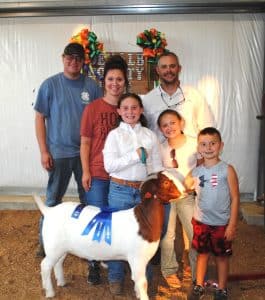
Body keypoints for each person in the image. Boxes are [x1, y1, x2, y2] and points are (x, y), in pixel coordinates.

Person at [34, 42, 102, 257]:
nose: (73, 62)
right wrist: (44, 151)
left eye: (78, 58)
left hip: (86, 155)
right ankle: (44, 242)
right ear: (62, 58)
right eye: (69, 57)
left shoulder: (92, 87)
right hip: (59, 154)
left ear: (83, 62)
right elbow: (39, 119)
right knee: (53, 200)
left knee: (89, 202)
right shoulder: (50, 85)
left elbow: (99, 121)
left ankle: (87, 245)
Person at [103, 92, 163, 295]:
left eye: (134, 108)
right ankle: (115, 277)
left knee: (144, 237)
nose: (130, 112)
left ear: (141, 110)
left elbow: (156, 166)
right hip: (120, 189)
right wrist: (134, 155)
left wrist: (155, 187)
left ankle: (143, 280)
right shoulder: (114, 136)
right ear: (119, 111)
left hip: (143, 193)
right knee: (117, 236)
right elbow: (109, 166)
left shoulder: (150, 135)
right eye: (125, 108)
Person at [80, 55, 129, 286]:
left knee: (118, 222)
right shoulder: (92, 108)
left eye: (119, 79)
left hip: (121, 177)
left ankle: (116, 263)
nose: (115, 83)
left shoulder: (130, 108)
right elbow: (86, 143)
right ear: (104, 82)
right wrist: (85, 172)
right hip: (98, 173)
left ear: (125, 82)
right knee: (98, 220)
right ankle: (93, 263)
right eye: (111, 79)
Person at [185, 127, 239, 300]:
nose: (208, 148)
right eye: (203, 144)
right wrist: (191, 171)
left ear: (221, 146)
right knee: (202, 254)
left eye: (213, 143)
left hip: (221, 223)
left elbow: (236, 198)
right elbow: (186, 186)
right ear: (198, 148)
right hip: (201, 221)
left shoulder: (227, 170)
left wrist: (232, 225)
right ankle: (199, 285)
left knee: (222, 257)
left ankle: (221, 289)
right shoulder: (196, 172)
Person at [157, 109, 200, 288]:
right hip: (167, 198)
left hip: (187, 196)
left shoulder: (194, 143)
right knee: (168, 235)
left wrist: (193, 177)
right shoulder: (160, 146)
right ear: (160, 129)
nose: (169, 127)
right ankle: (169, 269)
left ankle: (197, 269)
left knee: (194, 232)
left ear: (181, 123)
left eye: (172, 123)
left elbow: (203, 162)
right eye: (164, 125)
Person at [142, 51, 215, 141]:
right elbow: (144, 134)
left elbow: (207, 128)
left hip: (191, 154)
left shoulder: (194, 95)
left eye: (172, 66)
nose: (168, 70)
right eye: (164, 67)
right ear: (157, 70)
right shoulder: (148, 100)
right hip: (161, 154)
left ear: (179, 68)